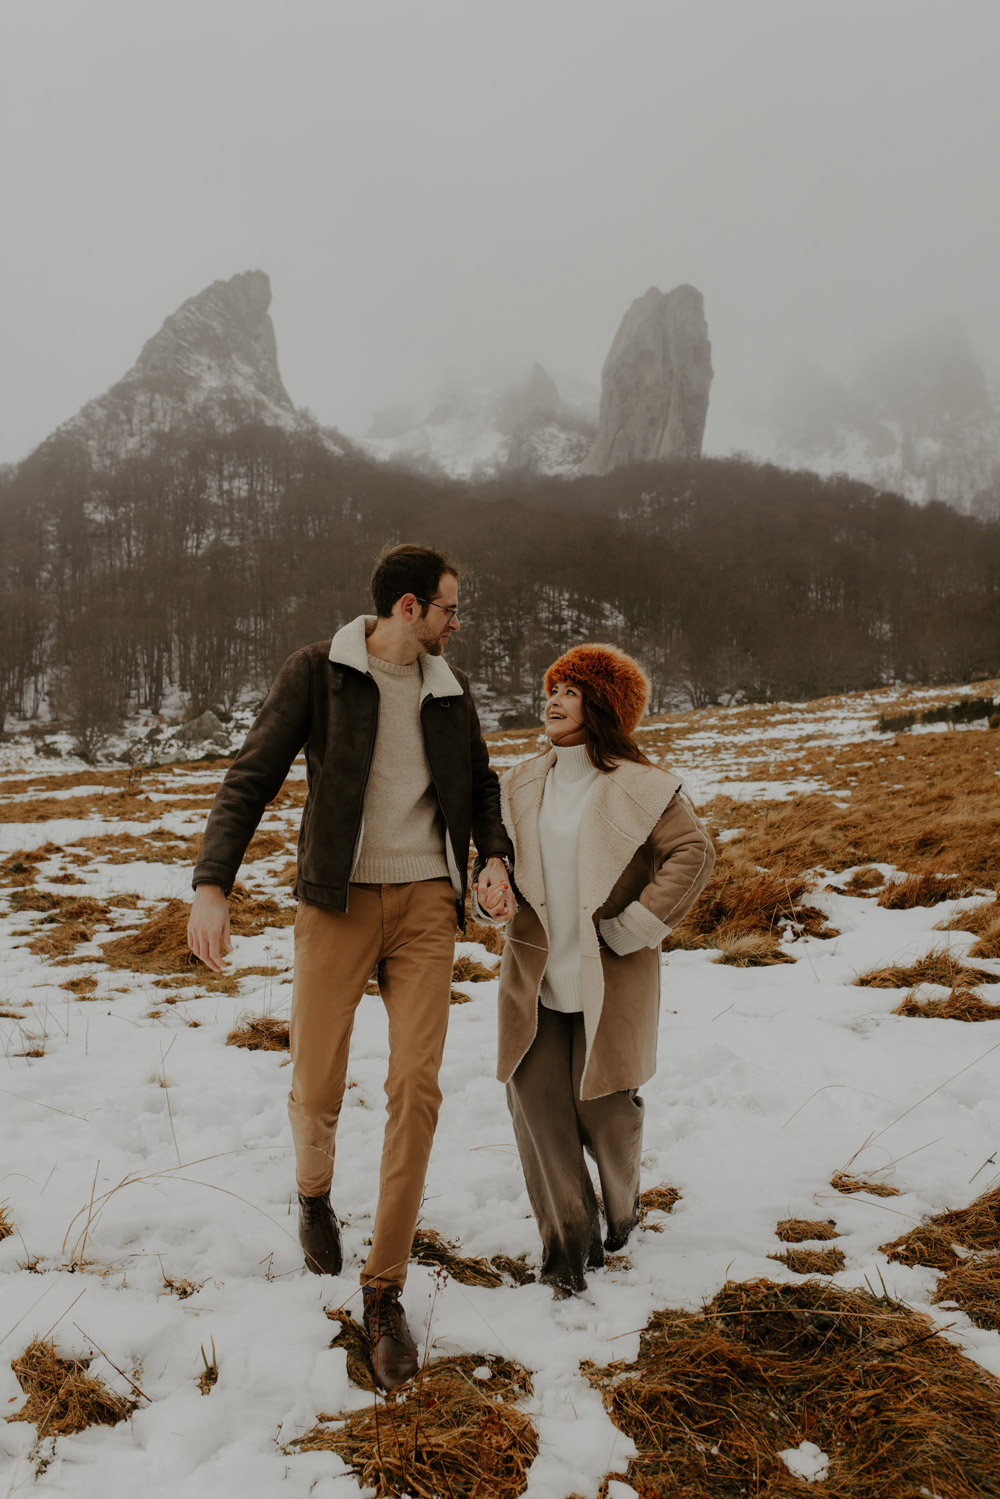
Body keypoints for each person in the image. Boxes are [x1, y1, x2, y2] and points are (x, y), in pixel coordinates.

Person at [187, 543, 514, 1391]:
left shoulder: (448, 691)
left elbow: (480, 784)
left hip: (424, 912)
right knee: (318, 1077)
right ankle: (313, 1190)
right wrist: (212, 884)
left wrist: (494, 856)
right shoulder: (319, 673)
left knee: (417, 1085)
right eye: (449, 607)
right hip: (334, 904)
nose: (456, 622)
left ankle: (383, 1290)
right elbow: (250, 775)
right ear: (408, 608)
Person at [477, 643, 715, 1297]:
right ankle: (566, 1247)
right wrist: (488, 893)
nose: (551, 701)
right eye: (550, 689)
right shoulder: (521, 782)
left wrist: (634, 926)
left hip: (610, 977)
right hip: (535, 978)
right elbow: (499, 866)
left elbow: (693, 852)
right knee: (537, 1108)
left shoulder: (644, 786)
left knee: (604, 1112)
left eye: (570, 691)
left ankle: (622, 1208)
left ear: (601, 705)